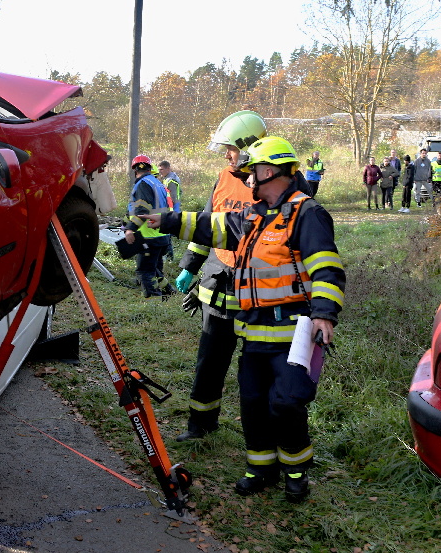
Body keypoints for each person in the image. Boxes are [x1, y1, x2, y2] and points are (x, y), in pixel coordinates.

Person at [147, 136, 345, 504]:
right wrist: (165, 220)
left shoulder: (307, 214)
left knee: (285, 403)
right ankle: (261, 469)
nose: (249, 181)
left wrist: (324, 315)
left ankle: (297, 471)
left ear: (271, 172)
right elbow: (213, 226)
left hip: (291, 334)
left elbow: (326, 268)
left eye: (253, 174)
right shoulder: (255, 216)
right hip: (254, 332)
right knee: (253, 403)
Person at [172, 110, 267, 442]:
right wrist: (189, 266)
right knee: (209, 362)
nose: (227, 155)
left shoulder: (279, 183)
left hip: (258, 295)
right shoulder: (223, 177)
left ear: (249, 147)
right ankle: (200, 425)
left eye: (231, 148)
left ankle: (258, 434)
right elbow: (206, 226)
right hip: (218, 287)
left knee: (255, 372)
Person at [123, 154, 171, 299]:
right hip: (161, 234)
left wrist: (130, 228)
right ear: (150, 168)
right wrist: (125, 223)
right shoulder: (157, 183)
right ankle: (168, 291)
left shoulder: (143, 184)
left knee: (144, 271)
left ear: (135, 170)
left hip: (148, 236)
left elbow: (142, 210)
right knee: (155, 269)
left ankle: (154, 300)